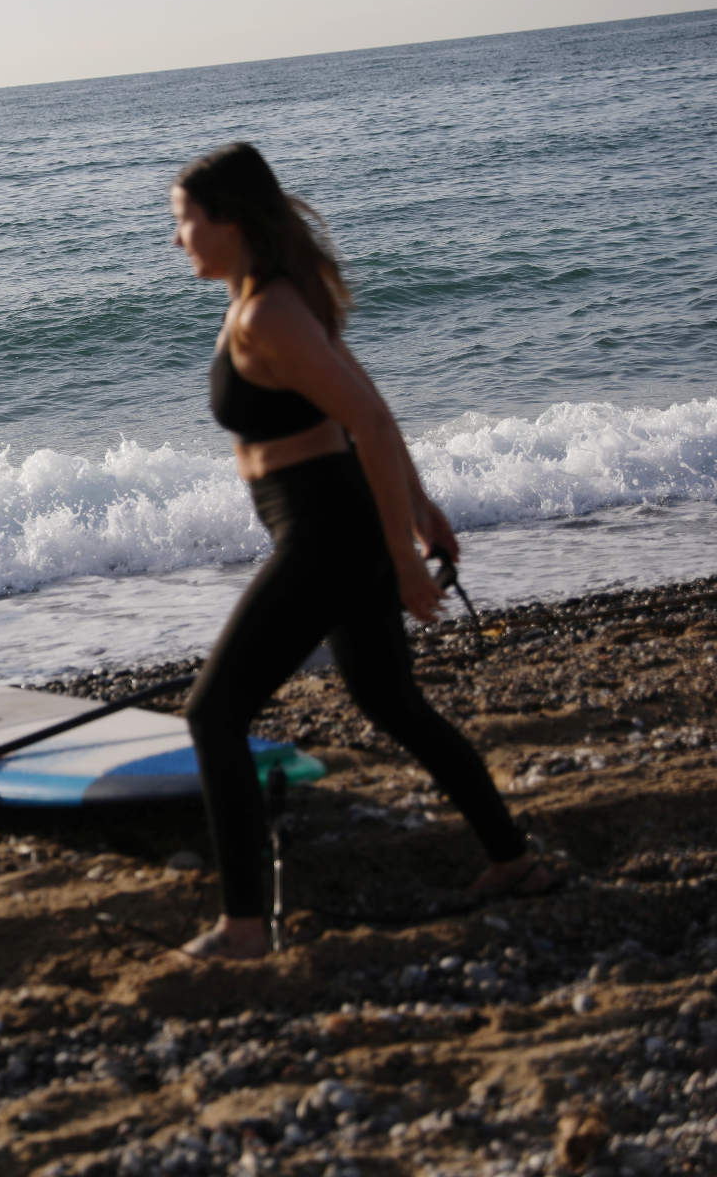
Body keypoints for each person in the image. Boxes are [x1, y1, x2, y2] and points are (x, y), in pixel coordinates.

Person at [167, 143, 563, 960]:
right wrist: (419, 509)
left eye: (185, 221)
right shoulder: (266, 297)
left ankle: (244, 928)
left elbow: (370, 422)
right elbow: (367, 410)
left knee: (213, 714)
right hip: (332, 523)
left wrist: (405, 552)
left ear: (230, 221)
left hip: (326, 533)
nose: (178, 239)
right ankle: (512, 859)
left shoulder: (270, 311)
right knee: (390, 701)